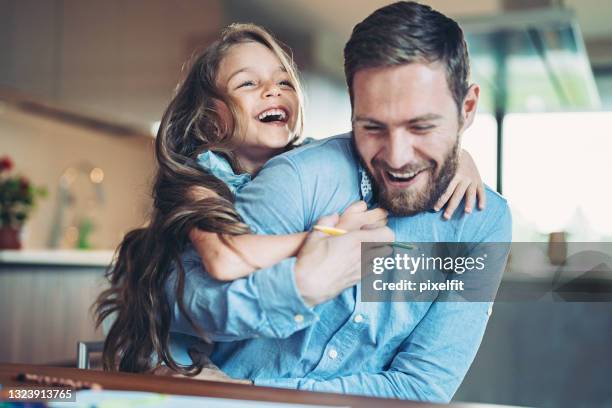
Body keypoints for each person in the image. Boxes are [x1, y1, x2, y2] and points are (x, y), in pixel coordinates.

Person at [163, 1, 512, 403]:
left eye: (422, 126)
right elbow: (179, 303)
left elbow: (421, 388)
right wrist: (304, 283)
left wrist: (252, 394)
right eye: (373, 127)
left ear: (466, 110)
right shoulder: (300, 175)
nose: (397, 158)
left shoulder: (483, 224)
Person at [95, 21, 485, 376]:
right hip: (168, 353)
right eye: (248, 84)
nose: (272, 90)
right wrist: (325, 237)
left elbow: (383, 151)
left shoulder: (307, 166)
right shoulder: (199, 176)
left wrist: (458, 158)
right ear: (209, 116)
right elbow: (225, 257)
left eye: (283, 82)